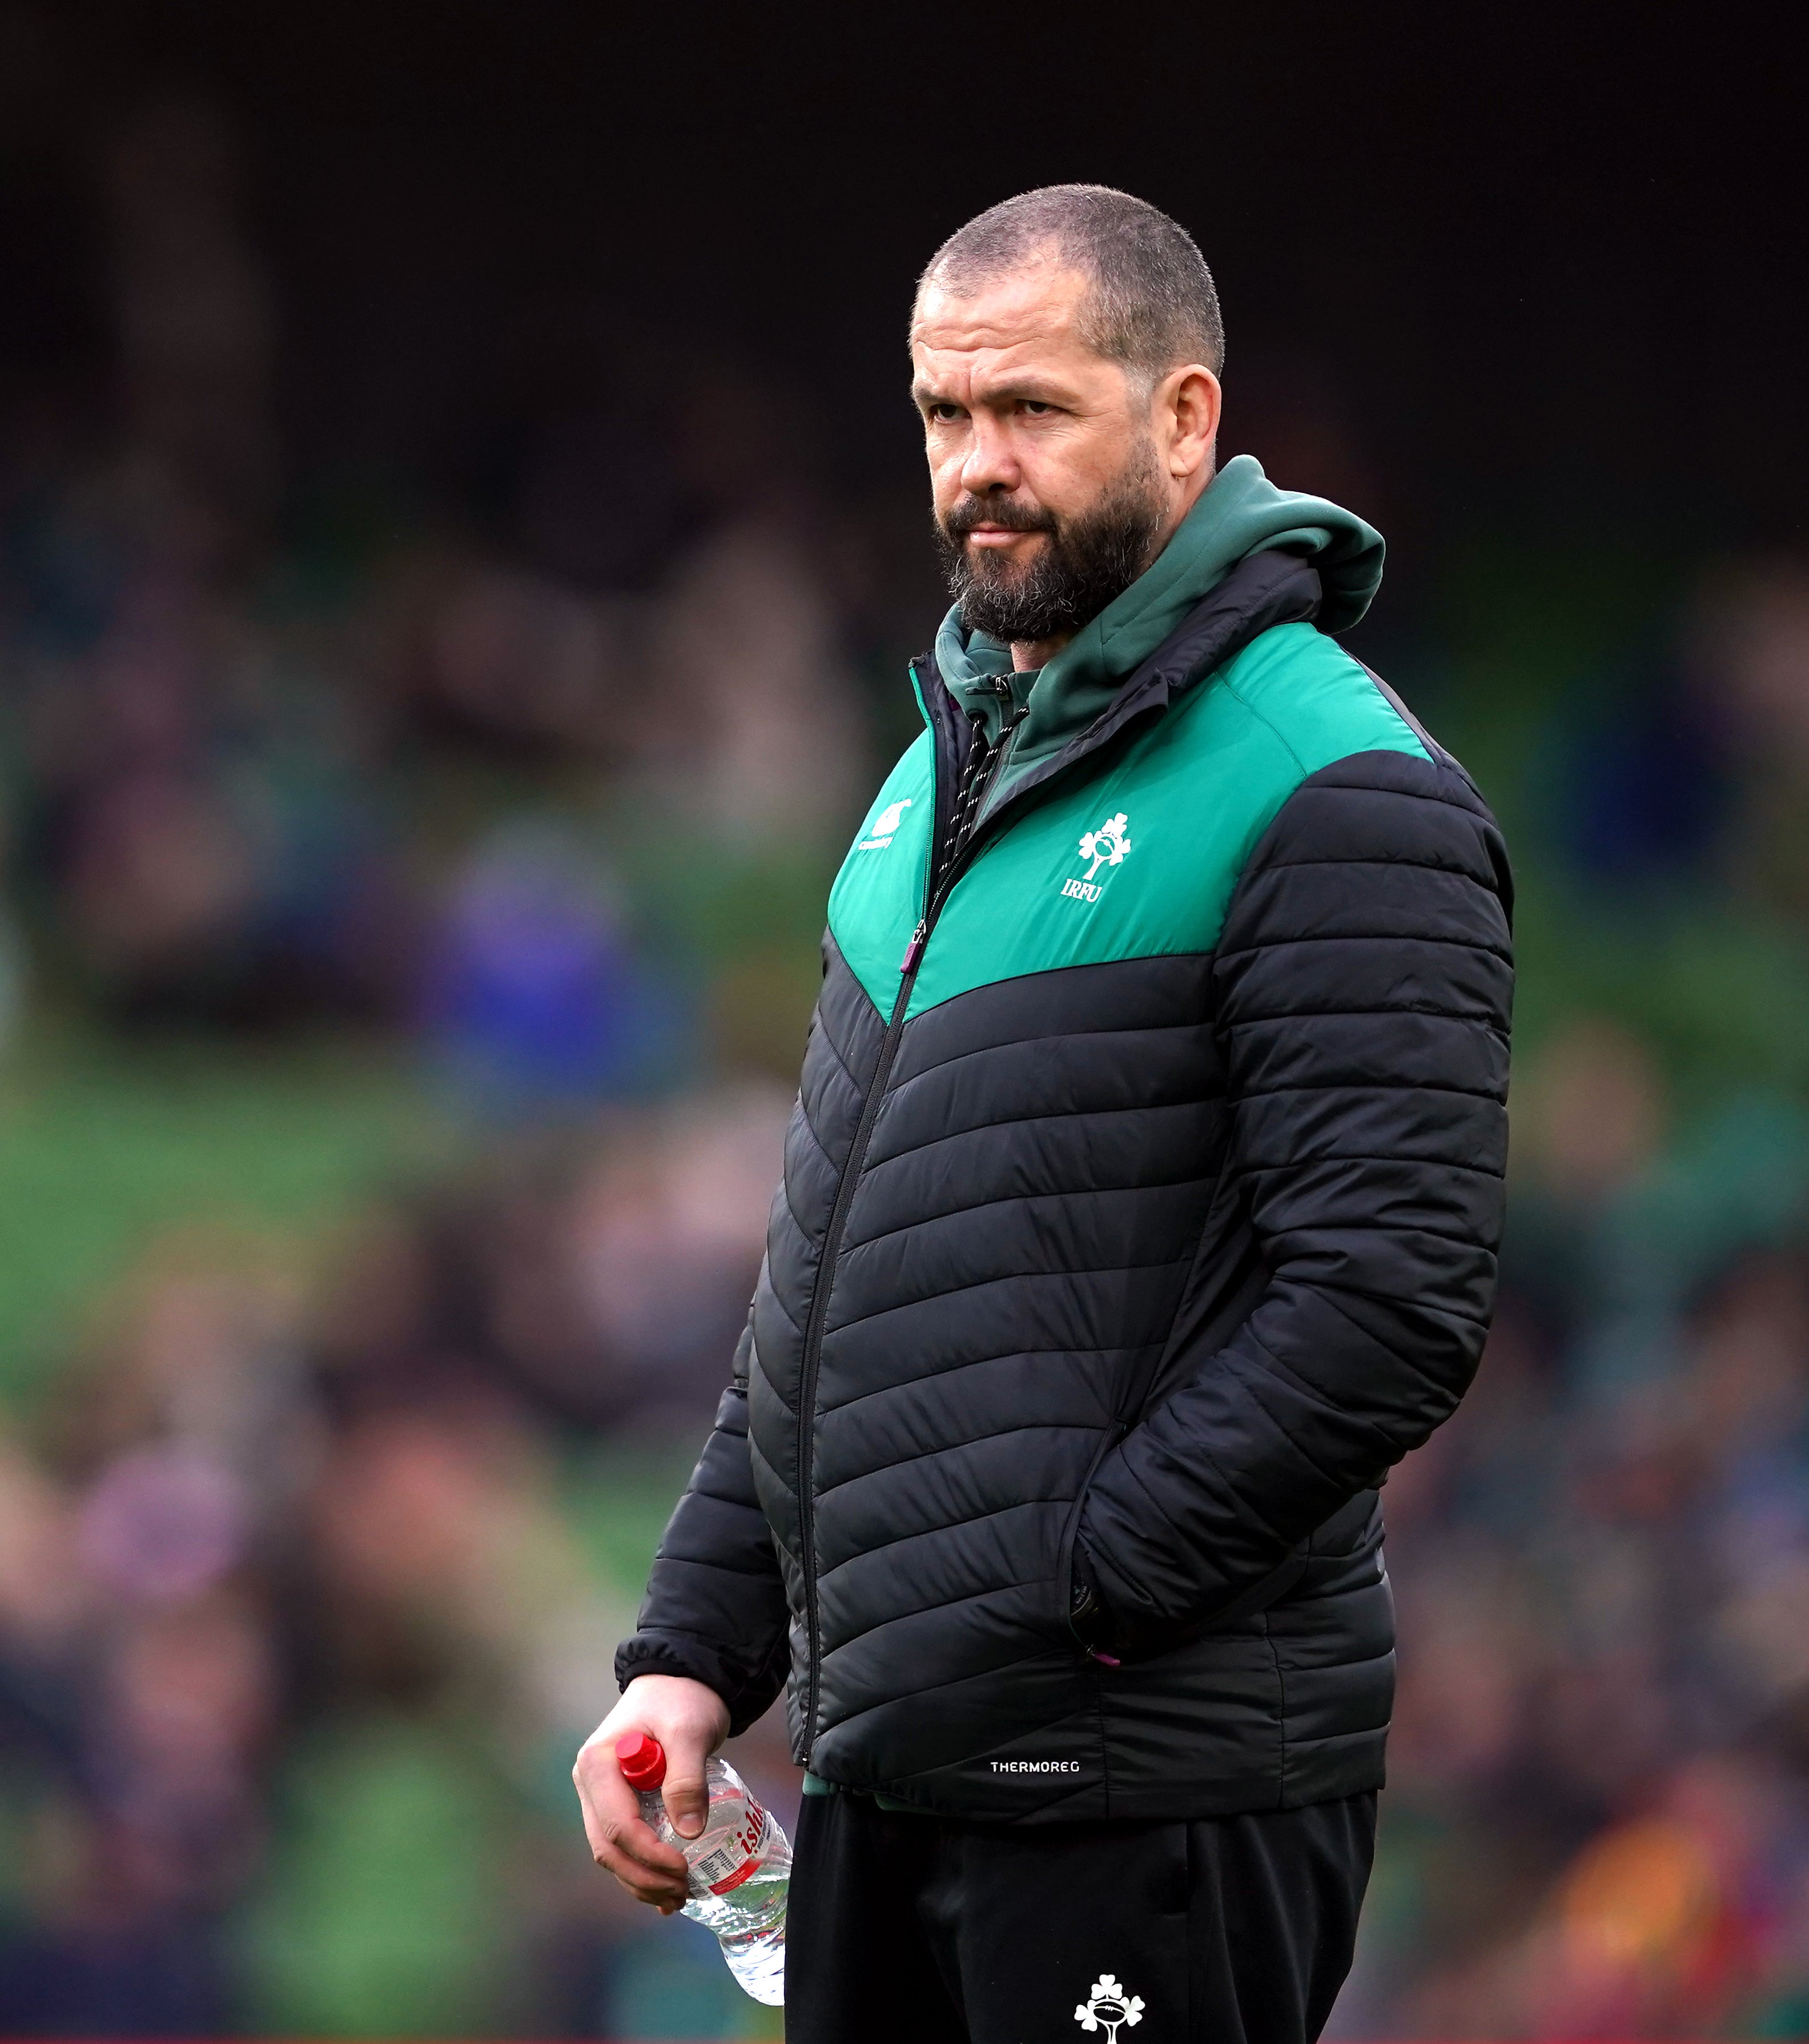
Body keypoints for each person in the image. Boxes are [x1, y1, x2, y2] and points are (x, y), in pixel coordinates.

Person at [571, 185, 1513, 2044]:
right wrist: (691, 1651)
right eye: (943, 415)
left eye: (1032, 413)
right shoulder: (935, 774)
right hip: (895, 1766)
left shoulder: (1337, 786)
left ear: (1183, 419)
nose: (976, 467)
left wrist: (1064, 1584)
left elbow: (1388, 1301)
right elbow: (834, 1279)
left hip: (1139, 1784)